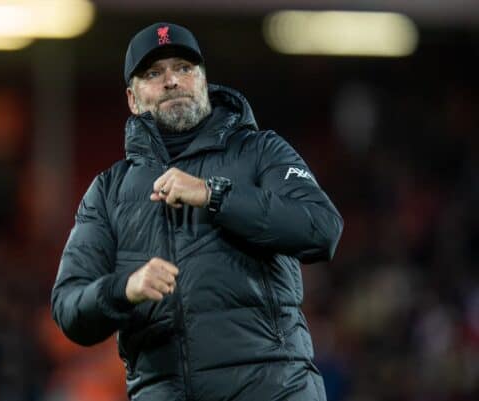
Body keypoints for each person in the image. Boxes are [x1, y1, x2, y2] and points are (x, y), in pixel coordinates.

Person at [51, 22, 343, 401]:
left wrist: (213, 194)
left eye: (184, 68)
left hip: (274, 388)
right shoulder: (108, 192)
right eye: (154, 73)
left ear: (203, 81)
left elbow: (322, 228)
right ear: (132, 99)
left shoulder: (261, 151)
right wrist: (124, 288)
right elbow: (68, 308)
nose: (171, 80)